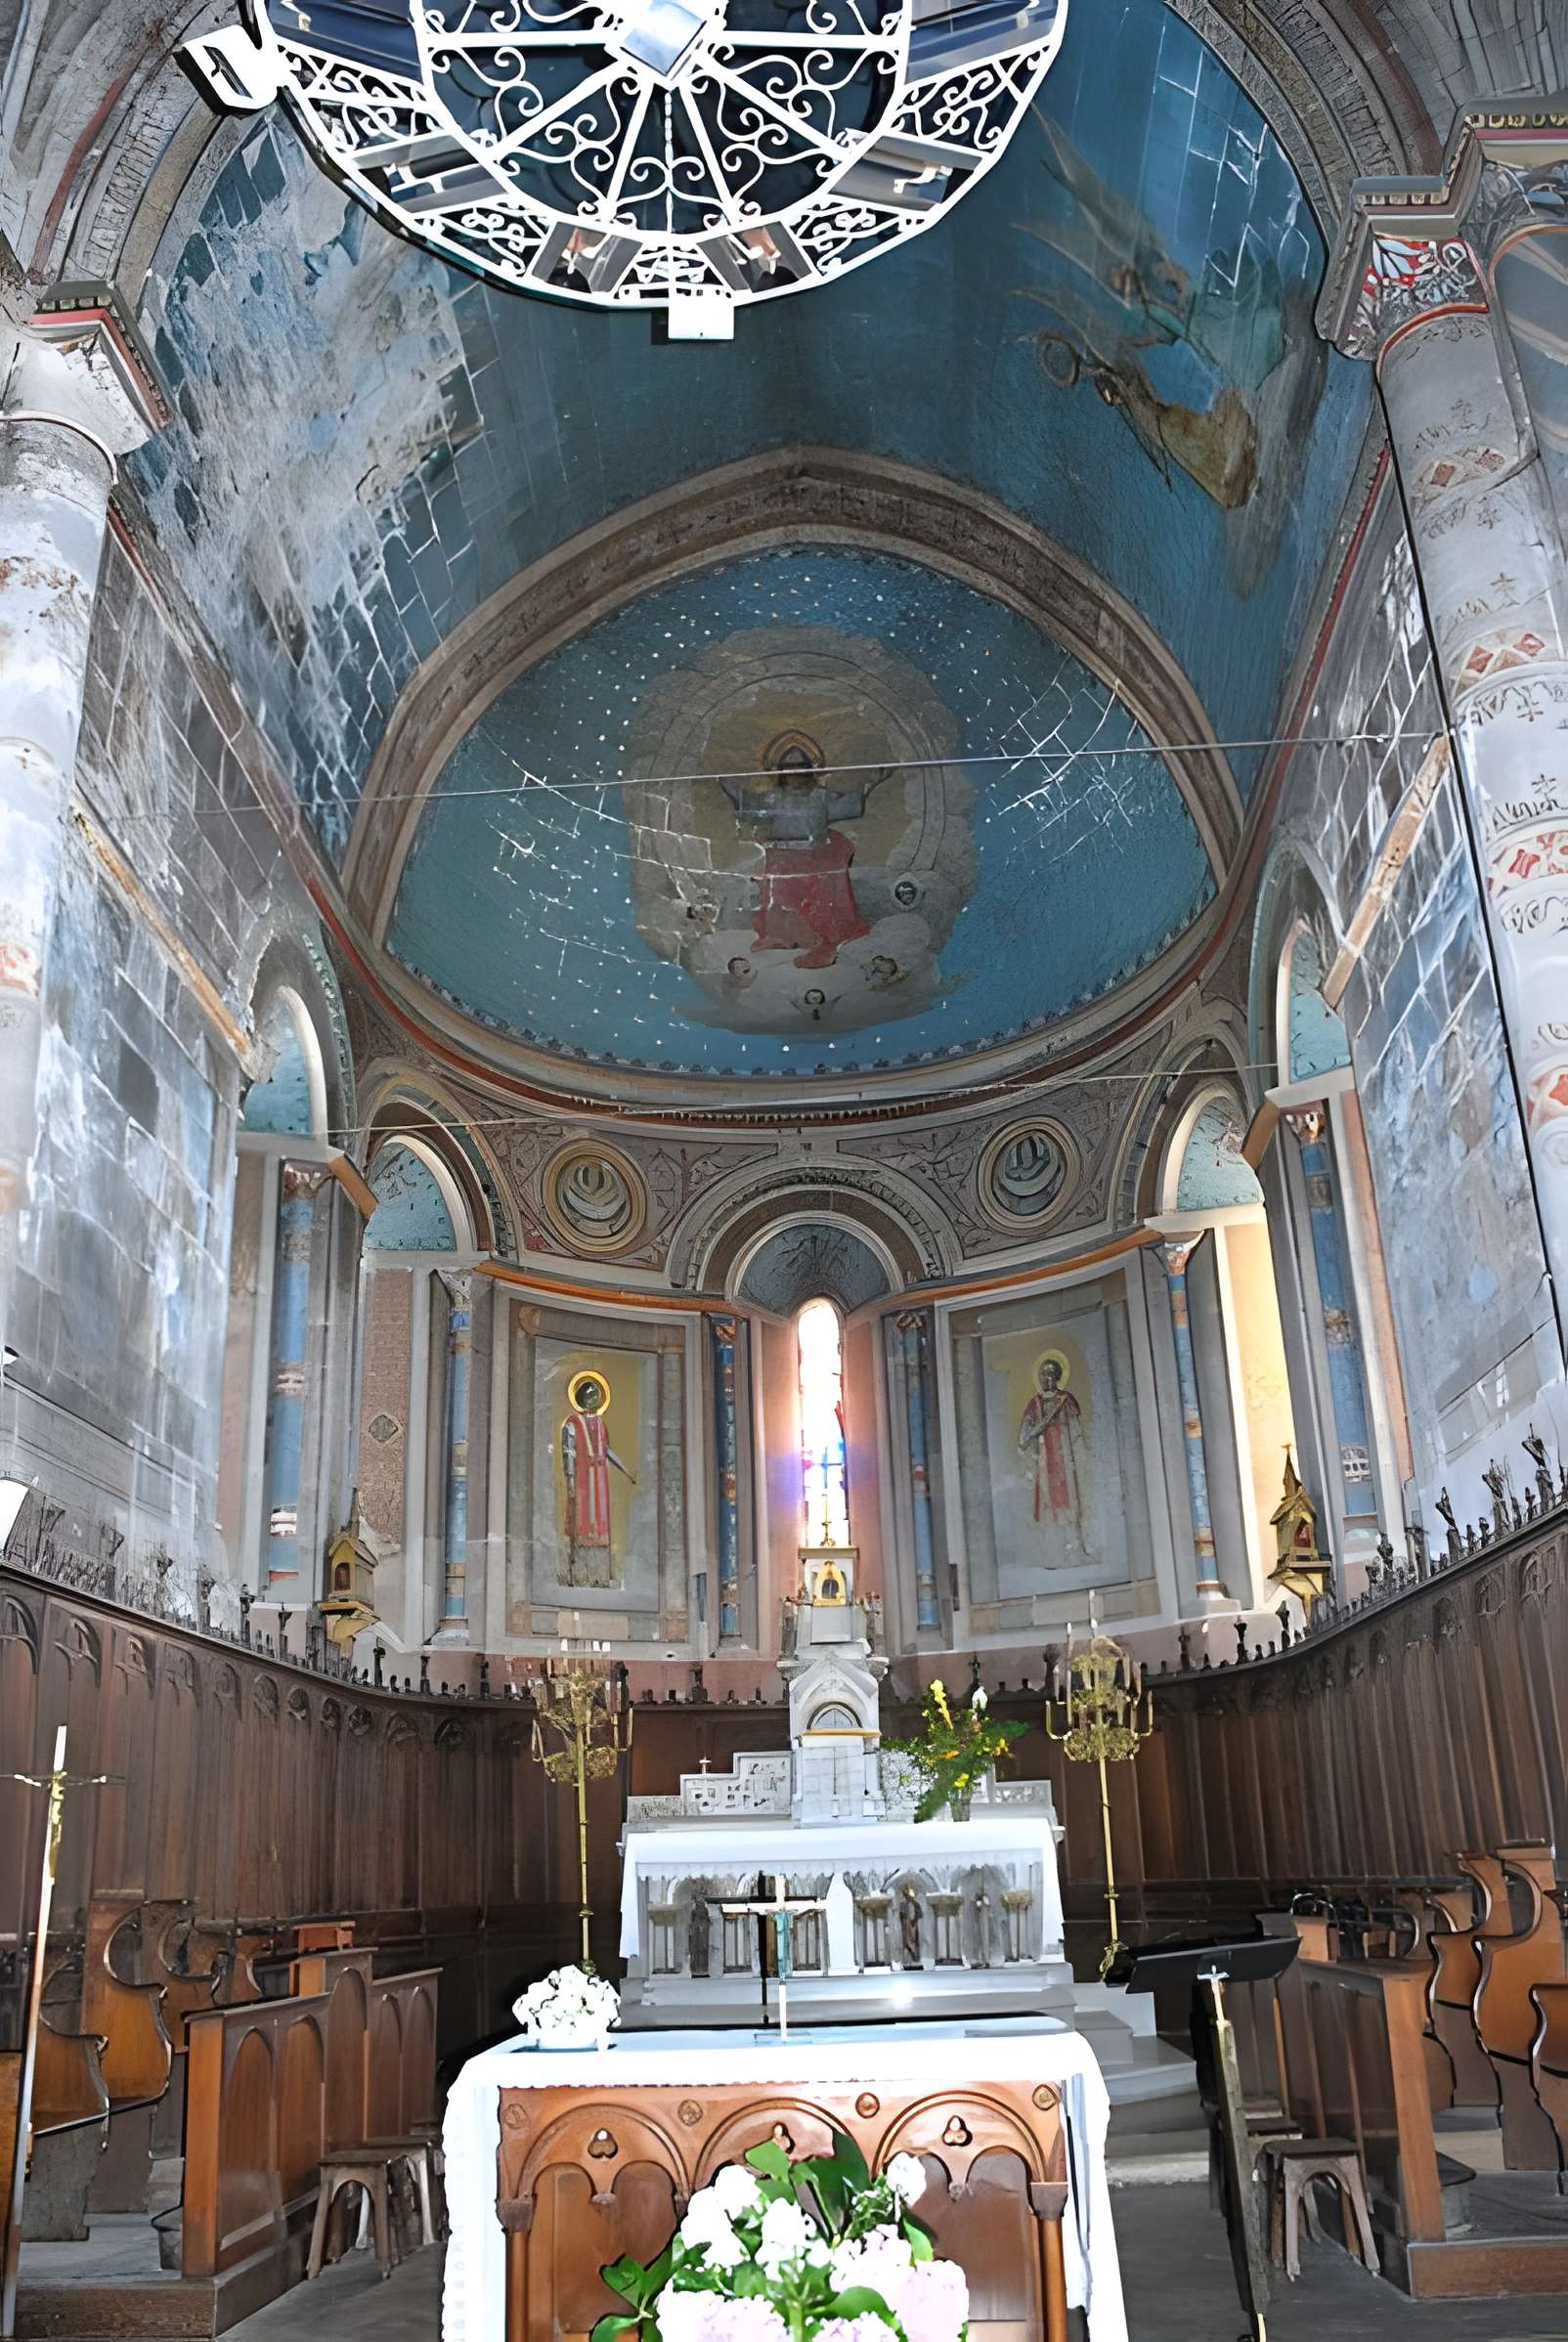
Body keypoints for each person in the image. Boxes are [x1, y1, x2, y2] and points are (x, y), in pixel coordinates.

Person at [561, 1371, 635, 1585]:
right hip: (583, 1481)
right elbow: (569, 1454)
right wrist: (572, 1483)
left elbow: (606, 1451)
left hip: (599, 1481)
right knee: (581, 1526)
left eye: (596, 1395)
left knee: (600, 1527)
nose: (593, 1399)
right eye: (590, 1394)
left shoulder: (601, 1424)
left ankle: (600, 1577)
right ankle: (581, 1576)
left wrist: (626, 1470)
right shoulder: (571, 1424)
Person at [1017, 1355, 1089, 1554]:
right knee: (1048, 1503)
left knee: (1070, 1499)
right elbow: (1024, 1437)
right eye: (1042, 1374)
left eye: (1048, 1374)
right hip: (1044, 1461)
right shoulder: (1034, 1404)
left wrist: (1080, 1459)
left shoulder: (1066, 1401)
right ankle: (1051, 1548)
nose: (1044, 1379)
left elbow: (1077, 1434)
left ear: (1056, 1377)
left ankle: (1075, 1544)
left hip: (1065, 1459)